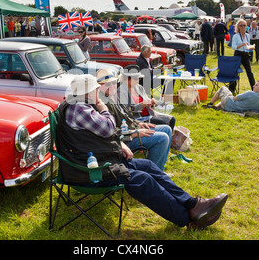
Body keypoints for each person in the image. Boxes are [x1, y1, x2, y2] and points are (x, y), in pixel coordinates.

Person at [57, 74, 228, 230]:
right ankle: (187, 218)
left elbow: (94, 136)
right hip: (88, 171)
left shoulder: (80, 105)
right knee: (142, 180)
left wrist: (119, 144)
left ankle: (193, 204)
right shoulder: (78, 108)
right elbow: (108, 127)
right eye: (95, 89)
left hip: (98, 161)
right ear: (87, 92)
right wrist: (102, 107)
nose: (98, 92)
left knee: (147, 165)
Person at [96, 69, 172, 171]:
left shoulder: (113, 95)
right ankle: (153, 173)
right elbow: (111, 131)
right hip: (125, 139)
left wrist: (139, 123)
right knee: (162, 138)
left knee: (167, 129)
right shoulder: (102, 103)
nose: (112, 86)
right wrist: (135, 133)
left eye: (114, 82)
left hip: (132, 128)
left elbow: (127, 116)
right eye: (107, 84)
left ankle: (159, 169)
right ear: (99, 86)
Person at [118, 65, 176, 130]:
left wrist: (152, 102)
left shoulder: (139, 87)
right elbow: (126, 111)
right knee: (165, 125)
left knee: (171, 119)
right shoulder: (121, 91)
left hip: (149, 115)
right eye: (135, 79)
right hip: (138, 119)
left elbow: (146, 101)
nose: (137, 80)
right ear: (127, 79)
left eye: (139, 78)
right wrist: (141, 105)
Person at [230, 19, 256, 93]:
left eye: (244, 25)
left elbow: (247, 46)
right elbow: (233, 47)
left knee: (249, 72)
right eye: (241, 25)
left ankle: (254, 89)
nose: (242, 27)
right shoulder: (236, 36)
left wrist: (250, 47)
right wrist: (242, 44)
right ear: (238, 27)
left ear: (246, 26)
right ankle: (232, 89)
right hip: (238, 54)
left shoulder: (248, 35)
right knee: (235, 72)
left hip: (245, 54)